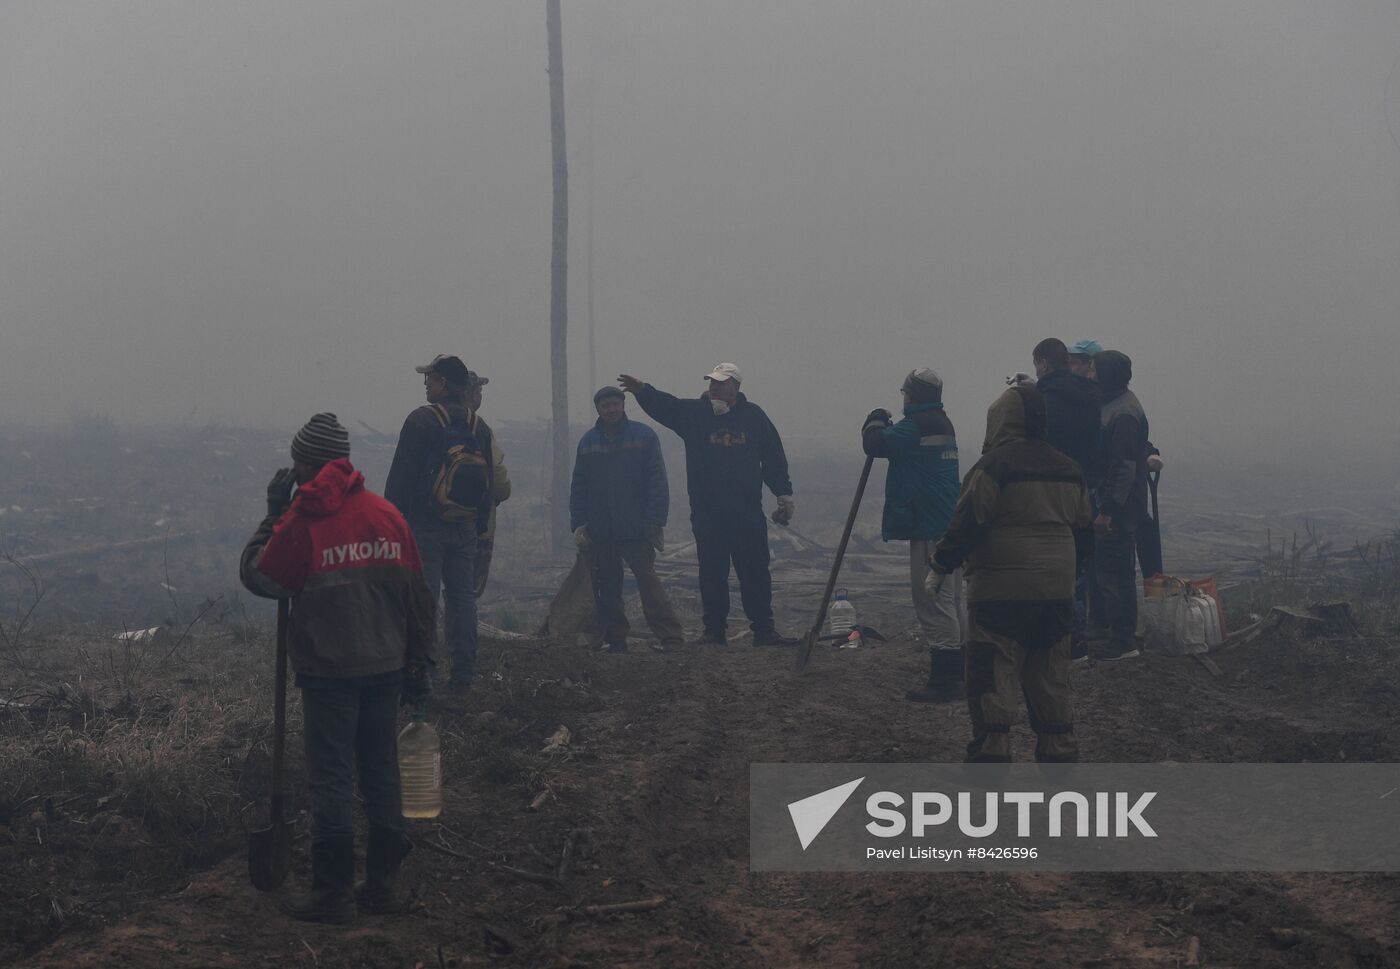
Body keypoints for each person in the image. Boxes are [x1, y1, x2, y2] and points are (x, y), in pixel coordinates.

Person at [240, 413, 434, 923]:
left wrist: (271, 515)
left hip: (330, 673)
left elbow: (260, 575)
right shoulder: (388, 515)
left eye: (296, 460)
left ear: (305, 463)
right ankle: (383, 888)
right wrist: (419, 665)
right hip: (386, 667)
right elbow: (419, 599)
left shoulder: (302, 520)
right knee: (380, 772)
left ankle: (333, 894)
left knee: (330, 779)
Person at [928, 387, 1092, 763]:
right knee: (1049, 670)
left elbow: (968, 521)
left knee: (992, 666)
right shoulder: (1069, 468)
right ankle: (1059, 749)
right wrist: (1066, 573)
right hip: (1056, 589)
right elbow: (1084, 532)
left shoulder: (993, 467)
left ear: (999, 420)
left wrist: (940, 565)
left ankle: (992, 751)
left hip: (999, 590)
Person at [618, 363, 797, 646]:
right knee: (712, 573)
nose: (714, 387)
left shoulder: (754, 417)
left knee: (755, 572)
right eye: (712, 382)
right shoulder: (696, 414)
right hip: (708, 513)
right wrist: (643, 391)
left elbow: (773, 456)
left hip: (747, 513)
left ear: (735, 387)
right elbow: (667, 407)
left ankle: (764, 631)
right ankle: (714, 632)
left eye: (721, 383)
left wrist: (783, 493)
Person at [384, 354, 494, 691]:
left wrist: (392, 523)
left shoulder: (421, 421)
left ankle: (424, 675)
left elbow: (401, 478)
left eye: (430, 379)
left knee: (423, 599)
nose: (425, 384)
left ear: (443, 383)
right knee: (462, 599)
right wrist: (477, 528)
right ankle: (463, 675)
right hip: (464, 527)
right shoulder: (480, 426)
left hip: (425, 526)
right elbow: (487, 485)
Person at [860, 368, 964, 703]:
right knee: (950, 598)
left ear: (912, 395)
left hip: (929, 525)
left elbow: (875, 444)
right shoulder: (941, 422)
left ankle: (945, 679)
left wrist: (874, 418)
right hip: (947, 523)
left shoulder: (917, 425)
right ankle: (962, 673)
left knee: (932, 600)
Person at [570, 386, 686, 653]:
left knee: (649, 584)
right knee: (608, 588)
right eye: (605, 406)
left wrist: (655, 518)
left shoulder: (644, 436)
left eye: (615, 404)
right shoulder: (588, 442)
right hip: (602, 529)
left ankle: (671, 638)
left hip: (637, 527)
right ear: (598, 410)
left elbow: (657, 480)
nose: (611, 409)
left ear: (623, 406)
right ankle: (616, 639)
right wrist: (579, 523)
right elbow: (579, 485)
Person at [1029, 338, 1102, 663]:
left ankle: (1060, 640)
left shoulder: (1044, 400)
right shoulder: (1091, 396)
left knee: (1051, 563)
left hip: (1051, 490)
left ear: (1043, 364)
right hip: (1085, 486)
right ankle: (1078, 639)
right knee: (1079, 564)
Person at [1090, 350, 1151, 661]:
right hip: (1118, 503)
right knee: (1114, 571)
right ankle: (1118, 636)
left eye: (1095, 370)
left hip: (1119, 508)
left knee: (1115, 573)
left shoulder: (1123, 412)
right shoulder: (1114, 404)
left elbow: (1124, 467)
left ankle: (1123, 641)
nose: (1090, 375)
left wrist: (1107, 511)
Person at [466, 370, 512, 598]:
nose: (480, 396)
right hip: (478, 521)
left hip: (433, 522)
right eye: (479, 391)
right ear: (471, 393)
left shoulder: (432, 420)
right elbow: (499, 479)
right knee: (468, 589)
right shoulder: (479, 427)